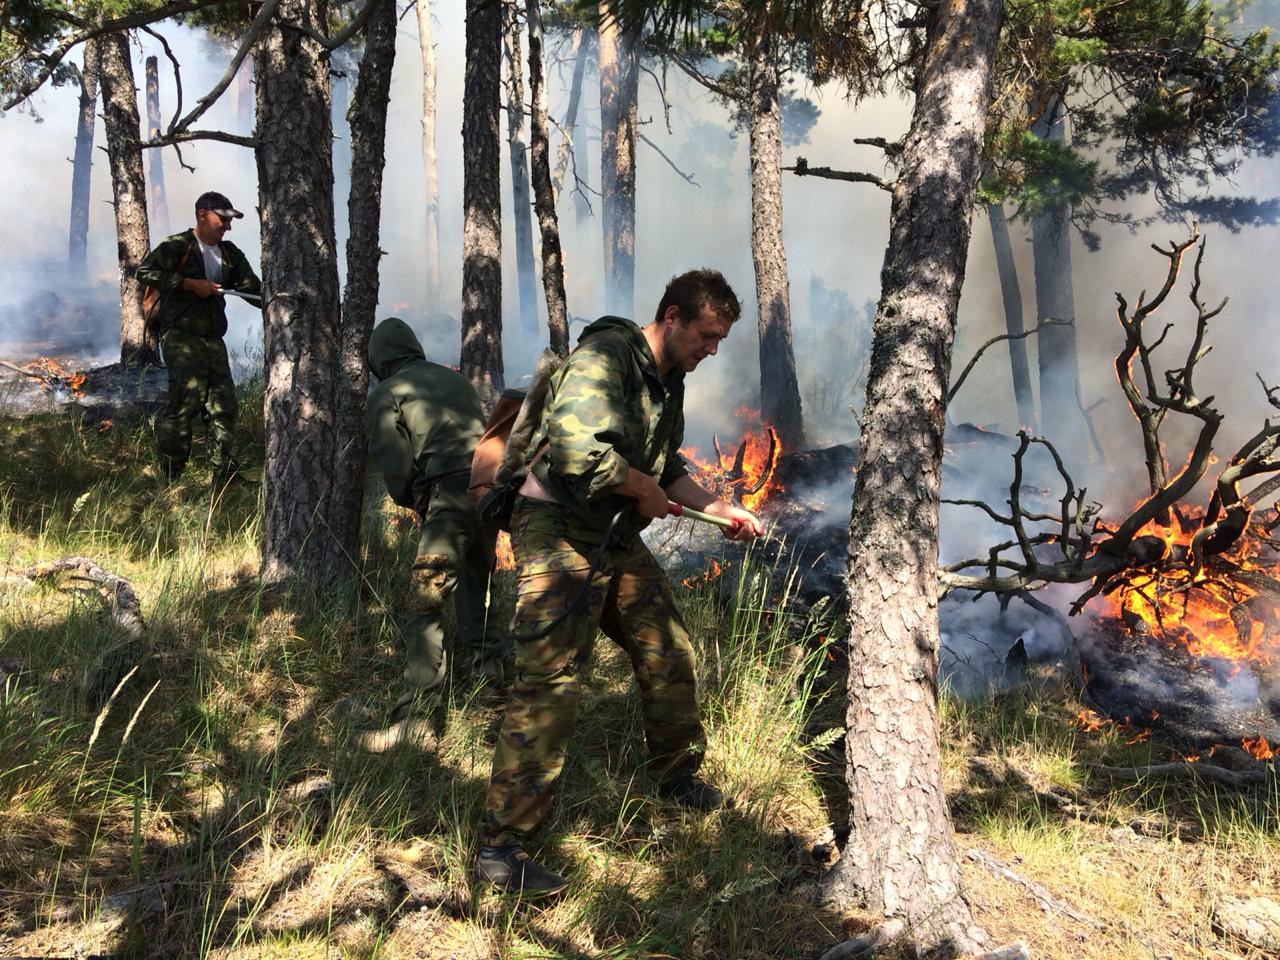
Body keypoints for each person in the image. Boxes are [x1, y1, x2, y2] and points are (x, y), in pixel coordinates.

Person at [476, 269, 762, 894]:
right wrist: (642, 488)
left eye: (720, 341)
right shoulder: (606, 357)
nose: (711, 351)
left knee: (669, 647)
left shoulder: (669, 380)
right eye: (707, 336)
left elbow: (666, 464)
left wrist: (720, 511)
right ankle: (504, 849)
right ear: (671, 316)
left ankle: (677, 776)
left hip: (610, 535)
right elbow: (581, 454)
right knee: (551, 681)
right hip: (556, 528)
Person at [364, 317, 510, 734]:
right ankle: (494, 689)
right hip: (489, 494)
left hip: (448, 499)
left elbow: (395, 465)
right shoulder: (456, 380)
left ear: (379, 360)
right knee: (477, 588)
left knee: (424, 599)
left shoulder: (388, 392)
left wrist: (415, 499)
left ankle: (416, 718)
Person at [136, 191, 262, 483]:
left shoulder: (229, 253)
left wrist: (279, 300)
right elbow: (145, 272)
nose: (227, 227)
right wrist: (190, 284)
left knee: (225, 406)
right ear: (203, 214)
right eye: (223, 219)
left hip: (212, 340)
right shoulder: (177, 246)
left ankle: (224, 474)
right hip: (180, 337)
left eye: (230, 222)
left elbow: (252, 289)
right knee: (184, 405)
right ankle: (170, 475)